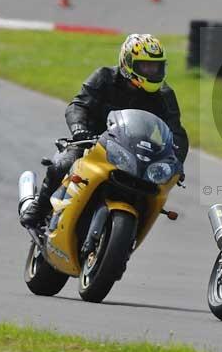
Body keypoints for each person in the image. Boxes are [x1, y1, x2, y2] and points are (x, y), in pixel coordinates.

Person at [20, 34, 189, 228]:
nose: (152, 71)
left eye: (156, 66)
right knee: (62, 164)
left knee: (153, 193)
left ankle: (126, 242)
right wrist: (79, 130)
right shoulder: (105, 77)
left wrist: (176, 161)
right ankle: (39, 209)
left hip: (135, 153)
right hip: (92, 144)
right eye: (145, 66)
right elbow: (79, 105)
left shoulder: (164, 95)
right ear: (127, 63)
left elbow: (176, 132)